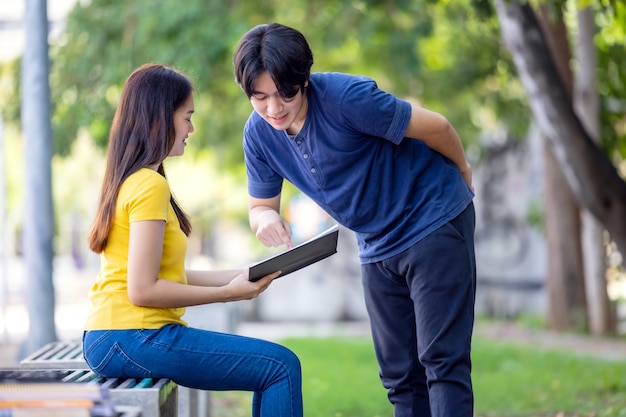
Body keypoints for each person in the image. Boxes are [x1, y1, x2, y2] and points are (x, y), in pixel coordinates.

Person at [233, 23, 476, 417]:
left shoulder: (347, 98)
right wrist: (264, 220)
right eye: (259, 98)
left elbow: (438, 127)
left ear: (305, 79)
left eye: (285, 94)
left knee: (442, 363)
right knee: (400, 377)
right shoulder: (258, 135)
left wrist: (463, 173)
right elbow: (260, 206)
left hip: (432, 217)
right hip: (375, 243)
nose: (274, 109)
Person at [83, 63, 303, 417]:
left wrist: (243, 273)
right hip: (132, 335)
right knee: (279, 366)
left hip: (117, 335)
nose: (191, 128)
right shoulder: (148, 185)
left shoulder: (135, 180)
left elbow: (164, 274)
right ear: (160, 117)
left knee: (276, 365)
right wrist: (226, 294)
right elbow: (143, 290)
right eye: (187, 117)